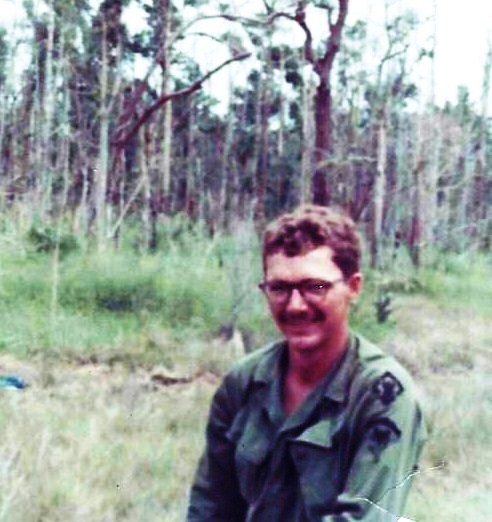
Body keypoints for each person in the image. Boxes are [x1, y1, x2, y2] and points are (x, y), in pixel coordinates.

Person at [187, 205, 426, 521]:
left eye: (316, 287)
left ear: (353, 287)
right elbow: (210, 508)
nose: (295, 305)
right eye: (280, 288)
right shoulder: (242, 384)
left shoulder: (383, 395)